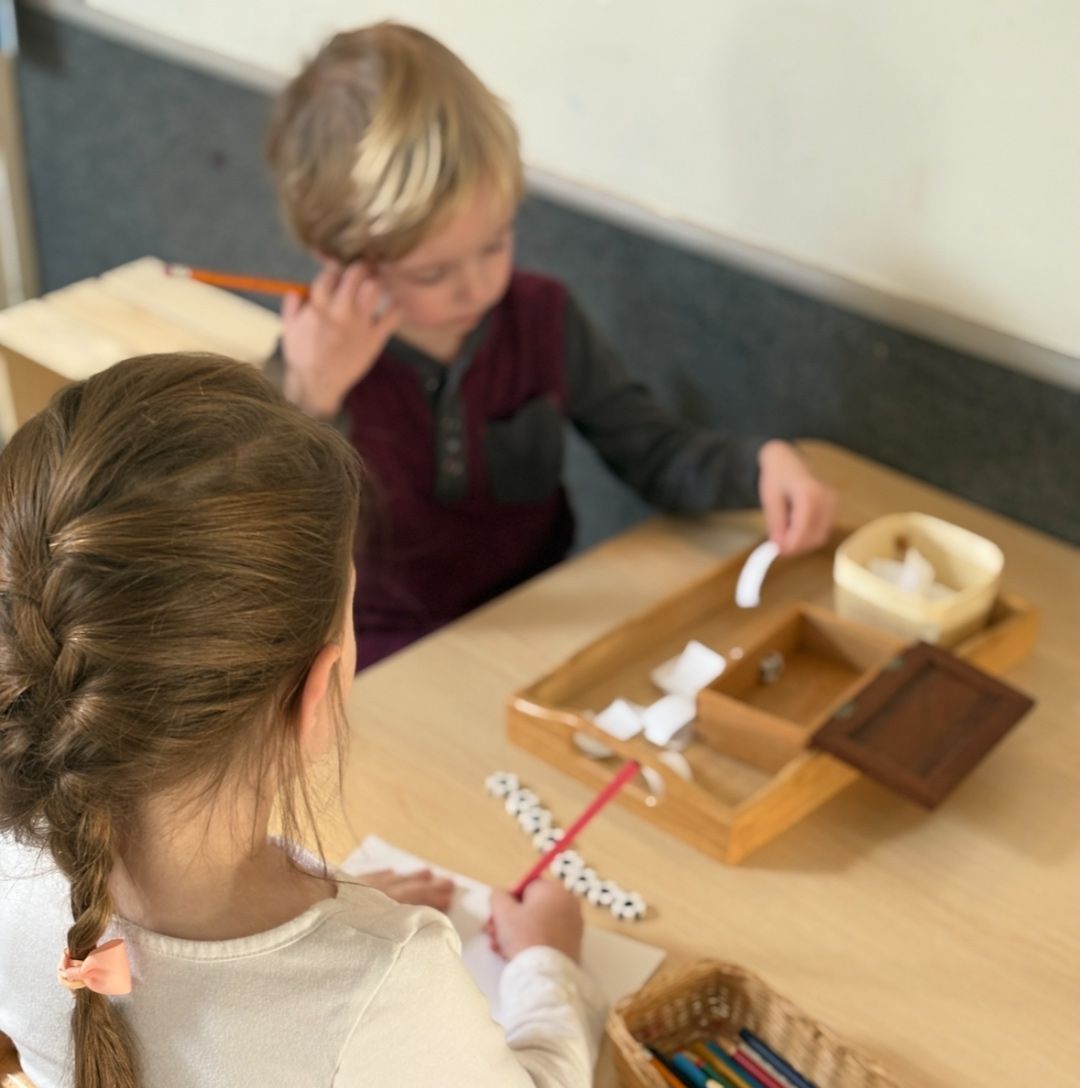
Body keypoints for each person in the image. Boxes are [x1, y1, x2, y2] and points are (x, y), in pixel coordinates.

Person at [0, 354, 654, 1088]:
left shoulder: (17, 884)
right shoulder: (382, 985)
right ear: (322, 692)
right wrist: (549, 965)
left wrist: (328, 913)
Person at [266, 22, 838, 668]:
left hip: (538, 618)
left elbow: (653, 449)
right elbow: (272, 562)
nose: (479, 285)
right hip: (378, 656)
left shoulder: (542, 317)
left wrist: (759, 467)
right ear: (338, 258)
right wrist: (313, 398)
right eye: (433, 273)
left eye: (496, 243)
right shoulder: (306, 370)